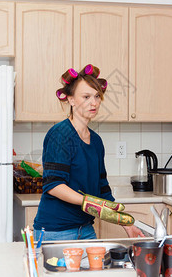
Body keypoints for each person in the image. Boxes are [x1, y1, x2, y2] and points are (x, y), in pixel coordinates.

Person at [33, 64, 144, 241]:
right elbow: (53, 186)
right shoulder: (60, 135)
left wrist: (127, 224)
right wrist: (90, 203)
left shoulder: (96, 141)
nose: (94, 103)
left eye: (97, 97)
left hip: (85, 229)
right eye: (86, 97)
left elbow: (102, 189)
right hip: (57, 231)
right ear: (71, 100)